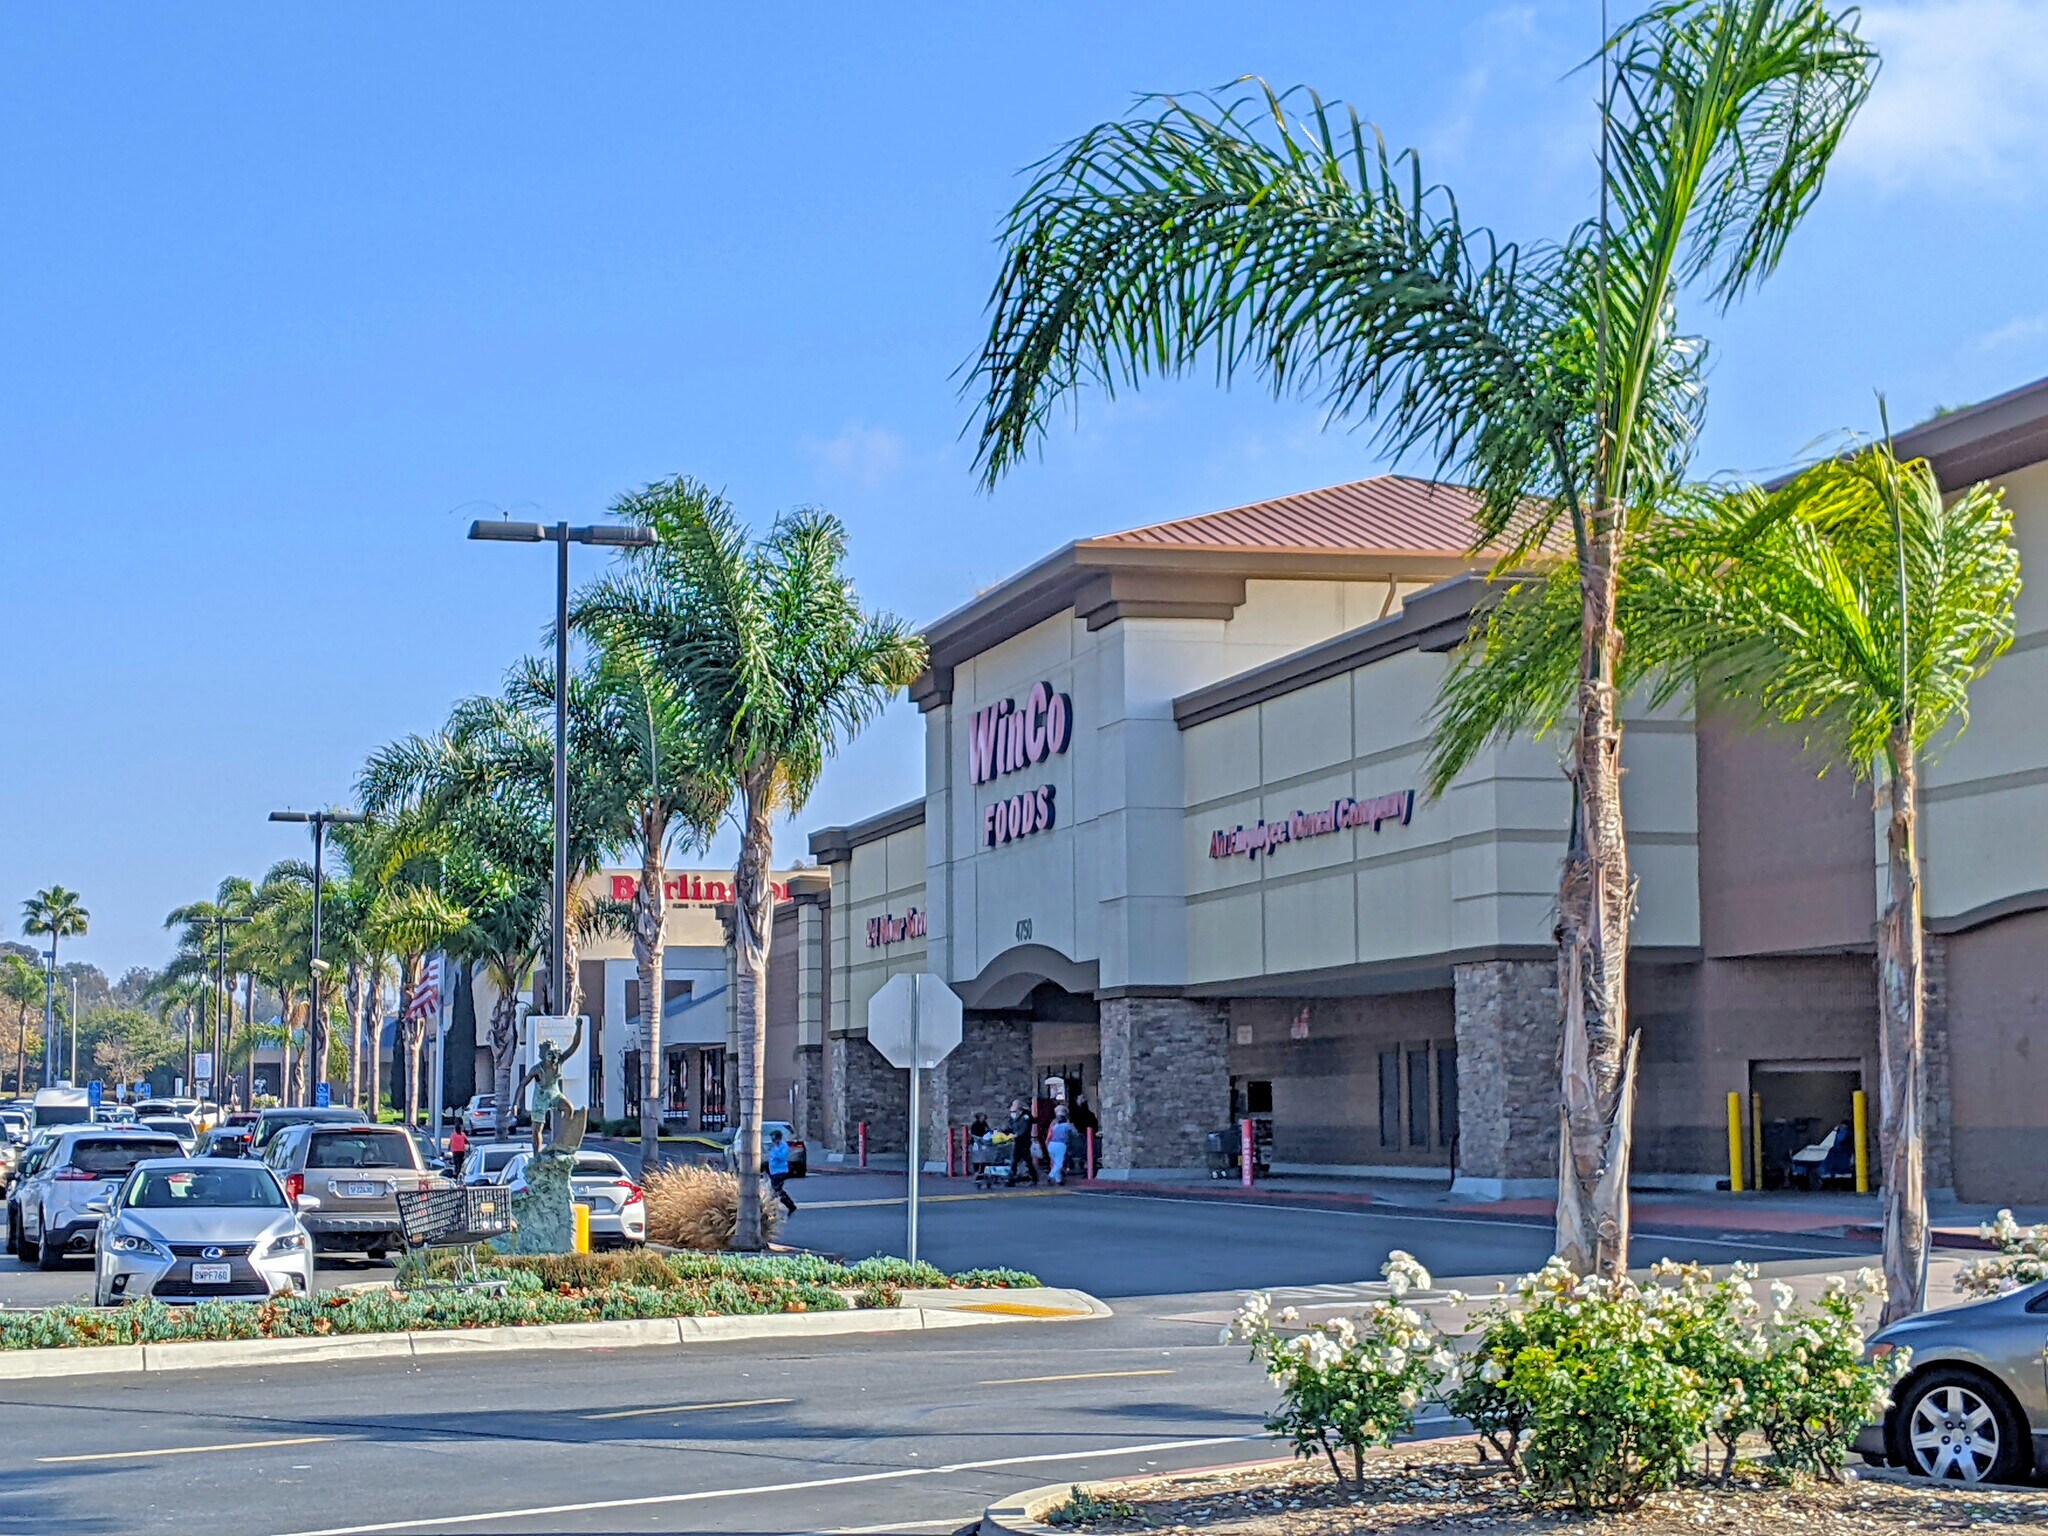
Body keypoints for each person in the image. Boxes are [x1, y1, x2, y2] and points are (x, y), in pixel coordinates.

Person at [1004, 1098, 1038, 1186]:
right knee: (1014, 1160)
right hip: (1017, 1141)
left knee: (1025, 1160)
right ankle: (1011, 1178)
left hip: (1023, 1141)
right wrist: (1003, 1131)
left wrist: (1016, 1135)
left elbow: (1024, 1129)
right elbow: (1011, 1126)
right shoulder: (1015, 1117)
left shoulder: (1025, 1116)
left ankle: (1033, 1177)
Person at [767, 1129, 798, 1214]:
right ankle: (788, 1205)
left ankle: (790, 1205)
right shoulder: (773, 1147)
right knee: (776, 1190)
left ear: (778, 1138)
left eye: (774, 1139)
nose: (772, 1141)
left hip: (781, 1171)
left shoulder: (783, 1146)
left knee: (777, 1189)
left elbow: (782, 1157)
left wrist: (776, 1150)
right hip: (773, 1171)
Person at [1046, 1104, 1075, 1185]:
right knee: (1059, 1163)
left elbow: (1049, 1134)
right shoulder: (1066, 1125)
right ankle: (1052, 1176)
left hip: (1051, 1143)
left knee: (1055, 1162)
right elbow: (1074, 1132)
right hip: (1061, 1144)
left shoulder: (1054, 1125)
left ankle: (1056, 1178)